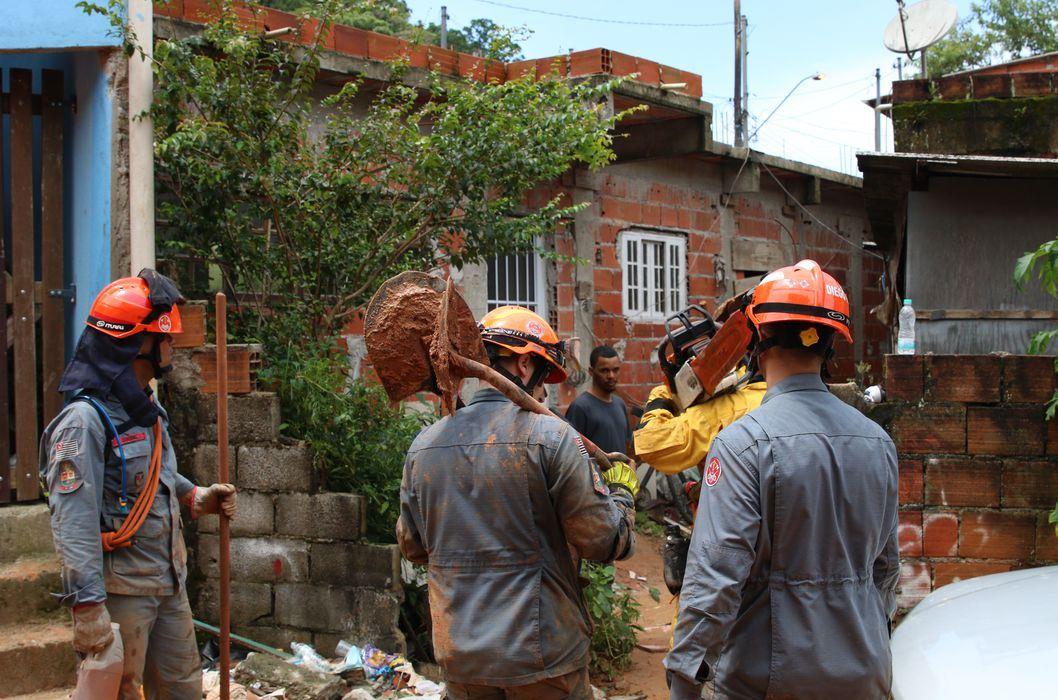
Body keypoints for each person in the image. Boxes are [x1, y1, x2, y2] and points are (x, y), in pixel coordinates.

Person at [665, 260, 900, 700]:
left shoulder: (743, 444)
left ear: (755, 339)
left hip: (768, 680)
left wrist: (685, 676)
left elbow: (716, 576)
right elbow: (885, 571)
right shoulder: (879, 442)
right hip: (865, 673)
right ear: (831, 344)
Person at [396, 306, 638, 700]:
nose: (543, 394)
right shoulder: (553, 438)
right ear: (525, 365)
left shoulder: (424, 446)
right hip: (543, 659)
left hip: (462, 660)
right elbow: (603, 542)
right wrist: (622, 494)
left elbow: (412, 546)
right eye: (544, 381)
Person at [39, 270, 237, 700]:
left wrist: (194, 496)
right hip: (121, 593)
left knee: (184, 690)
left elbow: (153, 474)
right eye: (164, 339)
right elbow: (72, 521)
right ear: (135, 344)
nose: (172, 346)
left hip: (168, 580)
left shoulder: (145, 405)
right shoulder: (84, 423)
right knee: (120, 694)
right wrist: (87, 608)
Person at [565, 345, 633, 456]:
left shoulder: (620, 404)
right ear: (591, 371)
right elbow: (570, 453)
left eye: (615, 370)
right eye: (604, 371)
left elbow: (626, 446)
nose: (611, 376)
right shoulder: (580, 407)